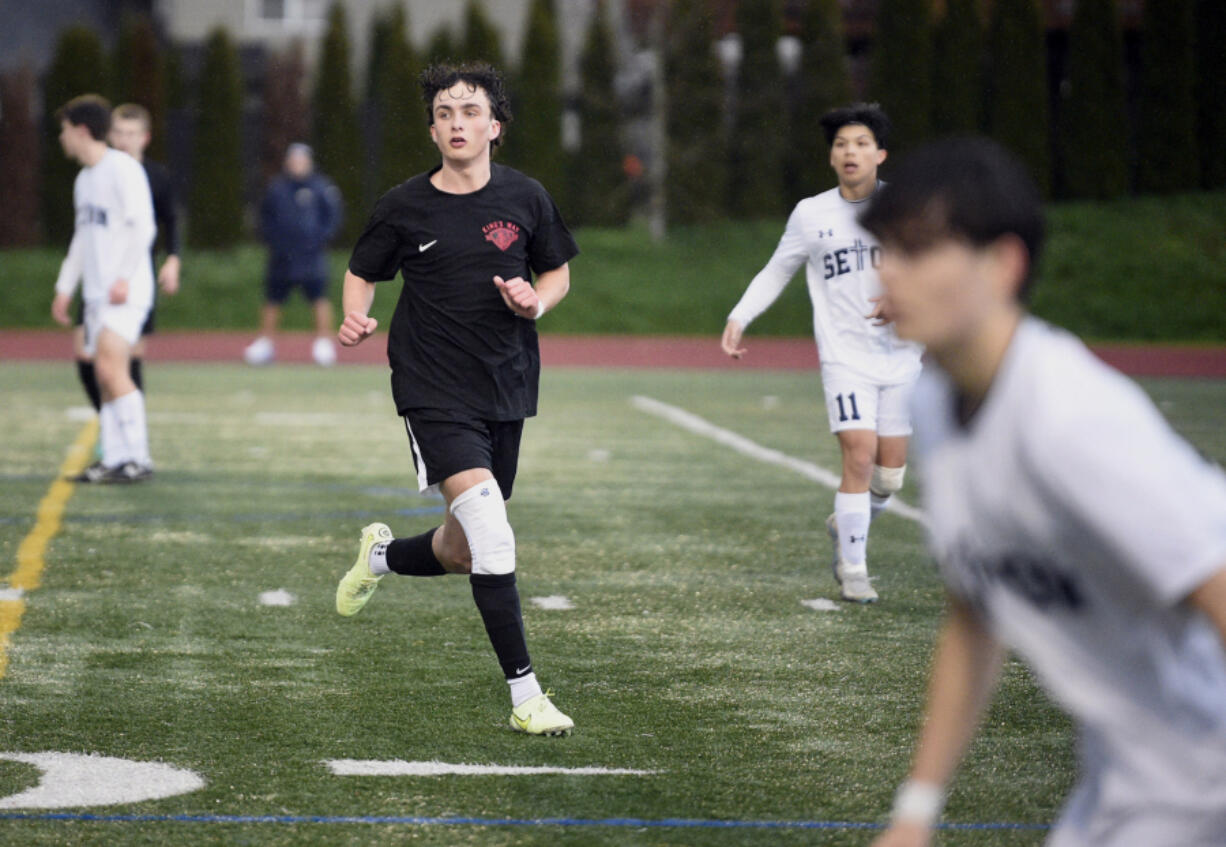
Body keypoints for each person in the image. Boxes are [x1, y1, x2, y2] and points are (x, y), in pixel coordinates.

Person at [862, 137, 1226, 847]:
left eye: (918, 250)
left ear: (1003, 265)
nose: (891, 273)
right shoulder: (940, 400)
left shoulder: (1068, 421)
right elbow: (974, 612)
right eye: (886, 249)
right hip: (1130, 784)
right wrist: (915, 809)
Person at [333, 63, 578, 736]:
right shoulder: (405, 205)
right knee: (494, 535)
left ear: (493, 127)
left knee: (466, 547)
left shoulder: (526, 197)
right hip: (430, 385)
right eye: (444, 112)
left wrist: (538, 299)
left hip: (505, 382)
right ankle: (527, 695)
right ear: (434, 128)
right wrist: (355, 315)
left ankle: (380, 556)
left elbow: (556, 269)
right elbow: (361, 271)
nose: (456, 122)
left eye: (469, 111)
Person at [720, 104, 922, 603]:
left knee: (890, 474)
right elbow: (776, 270)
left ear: (880, 154)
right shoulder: (812, 213)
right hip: (845, 359)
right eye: (840, 145)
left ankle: (846, 523)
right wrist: (740, 316)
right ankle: (855, 569)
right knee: (858, 455)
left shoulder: (907, 208)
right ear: (831, 158)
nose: (850, 152)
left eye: (859, 143)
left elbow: (936, 270)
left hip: (902, 359)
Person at [51, 94, 156, 483]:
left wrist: (125, 277)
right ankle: (113, 458)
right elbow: (82, 239)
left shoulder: (122, 169)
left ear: (81, 130)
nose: (62, 138)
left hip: (125, 292)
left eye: (64, 130)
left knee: (113, 369)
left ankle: (138, 458)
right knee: (104, 375)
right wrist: (65, 288)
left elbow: (143, 227)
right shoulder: (85, 179)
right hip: (97, 294)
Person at [71, 103, 181, 424]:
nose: (123, 139)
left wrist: (172, 260)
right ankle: (112, 424)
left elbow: (169, 222)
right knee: (86, 357)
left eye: (131, 133)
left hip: (132, 280)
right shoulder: (94, 173)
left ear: (144, 138)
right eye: (117, 132)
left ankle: (129, 435)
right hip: (97, 281)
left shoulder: (155, 177)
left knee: (126, 360)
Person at [243, 142, 342, 366]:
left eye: (302, 160)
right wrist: (274, 241)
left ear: (309, 162)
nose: (298, 164)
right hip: (281, 256)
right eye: (294, 160)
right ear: (288, 162)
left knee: (319, 298)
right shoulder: (276, 187)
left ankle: (324, 344)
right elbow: (264, 217)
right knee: (273, 298)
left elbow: (333, 218)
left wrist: (318, 240)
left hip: (311, 256)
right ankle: (266, 344)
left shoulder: (321, 187)